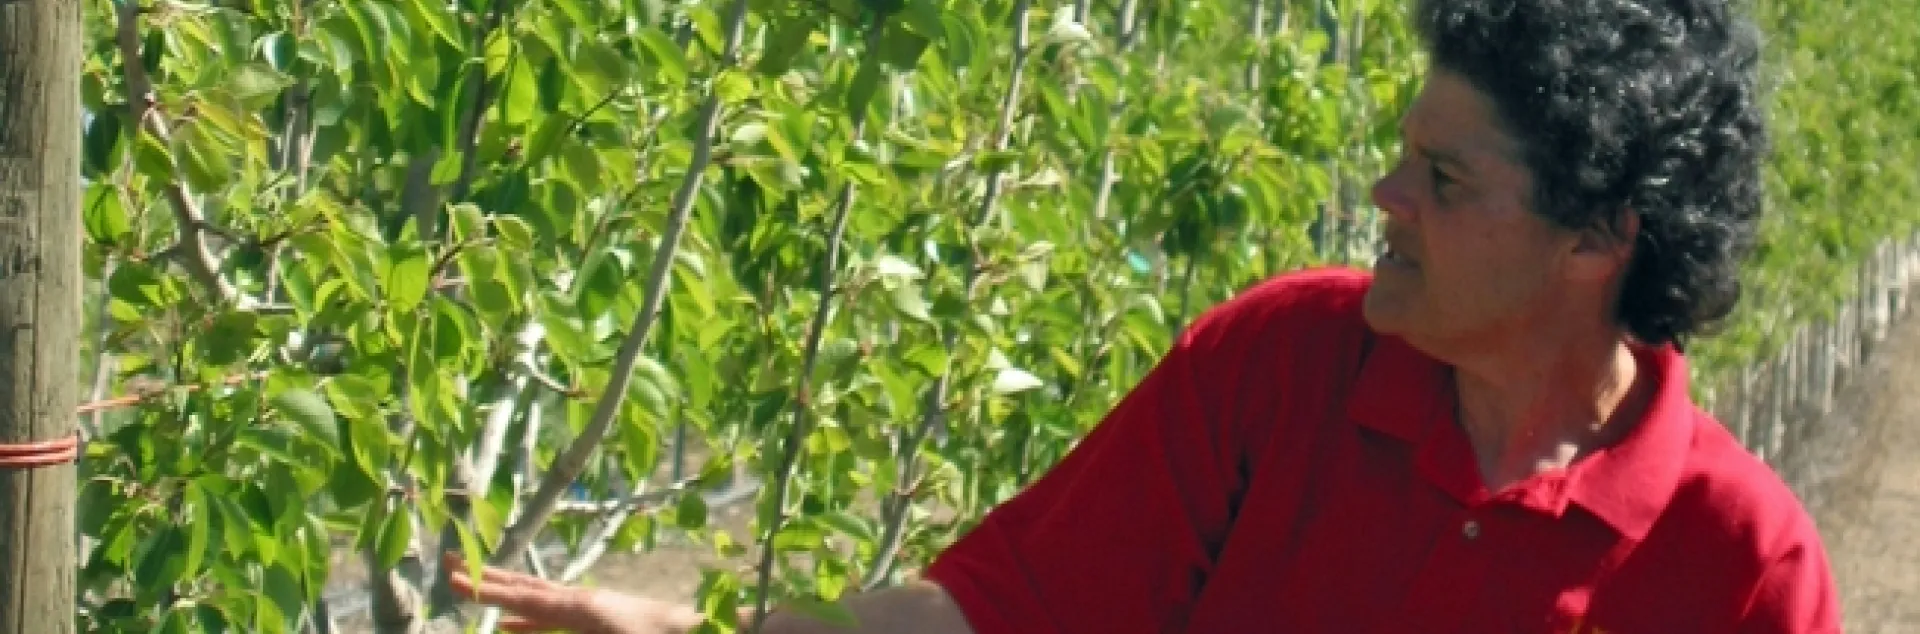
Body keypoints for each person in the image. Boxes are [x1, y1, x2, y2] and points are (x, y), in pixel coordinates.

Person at [450, 0, 1843, 631]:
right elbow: (1002, 611)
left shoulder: (1738, 565)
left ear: (1598, 238)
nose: (1381, 193)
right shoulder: (1288, 361)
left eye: (1441, 176)